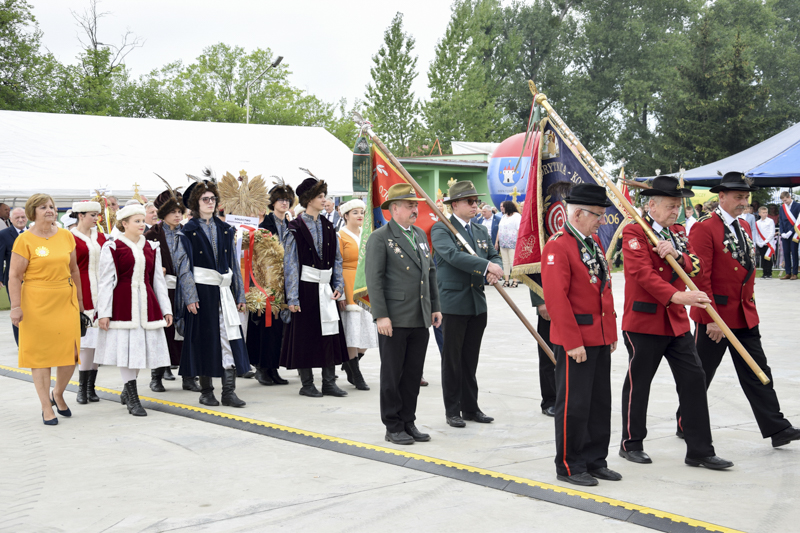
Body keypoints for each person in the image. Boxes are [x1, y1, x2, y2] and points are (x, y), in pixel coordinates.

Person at [618, 175, 732, 470]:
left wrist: (678, 255)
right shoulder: (635, 232)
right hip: (644, 321)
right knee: (639, 382)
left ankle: (700, 450)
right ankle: (631, 442)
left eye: (678, 206)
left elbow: (698, 265)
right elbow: (642, 274)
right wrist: (678, 297)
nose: (676, 211)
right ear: (652, 205)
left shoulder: (678, 232)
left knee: (695, 379)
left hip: (676, 324)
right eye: (671, 205)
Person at [684, 172, 800, 448]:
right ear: (721, 196)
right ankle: (684, 420)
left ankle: (777, 427)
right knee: (701, 375)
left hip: (744, 314)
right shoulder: (704, 227)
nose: (743, 202)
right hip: (717, 317)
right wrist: (710, 318)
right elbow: (701, 277)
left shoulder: (744, 228)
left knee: (758, 369)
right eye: (738, 197)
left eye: (745, 197)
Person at [540, 183, 618, 486]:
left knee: (599, 402)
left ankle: (595, 459)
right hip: (577, 341)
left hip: (598, 336)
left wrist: (609, 332)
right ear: (578, 214)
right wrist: (572, 342)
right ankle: (570, 464)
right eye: (598, 215)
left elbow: (604, 290)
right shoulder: (558, 246)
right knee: (575, 405)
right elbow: (557, 299)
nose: (602, 220)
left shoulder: (593, 243)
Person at [365, 184, 441, 444]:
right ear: (393, 208)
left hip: (419, 316)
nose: (414, 209)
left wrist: (435, 306)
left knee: (412, 374)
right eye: (409, 205)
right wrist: (381, 315)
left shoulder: (419, 234)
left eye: (415, 205)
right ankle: (393, 424)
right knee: (392, 374)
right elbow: (374, 280)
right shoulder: (380, 237)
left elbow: (430, 273)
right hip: (394, 318)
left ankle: (409, 421)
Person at [431, 180, 504, 428]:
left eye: (476, 201)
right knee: (452, 361)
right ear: (454, 205)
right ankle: (453, 410)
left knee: (469, 360)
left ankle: (471, 408)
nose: (475, 205)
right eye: (469, 201)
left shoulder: (481, 230)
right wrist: (486, 267)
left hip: (476, 304)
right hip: (452, 304)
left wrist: (496, 268)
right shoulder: (442, 229)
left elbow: (493, 255)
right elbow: (452, 256)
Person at [9, 194, 82, 425]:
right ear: (33, 212)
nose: (49, 210)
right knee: (40, 357)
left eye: (51, 206)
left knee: (70, 354)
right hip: (36, 303)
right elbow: (14, 276)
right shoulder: (25, 240)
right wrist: (16, 307)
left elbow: (74, 270)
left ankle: (58, 393)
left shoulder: (66, 236)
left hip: (65, 299)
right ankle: (45, 406)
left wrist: (80, 301)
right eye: (43, 207)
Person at [94, 205, 173, 417]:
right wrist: (104, 312)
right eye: (136, 221)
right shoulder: (113, 247)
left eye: (142, 220)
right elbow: (106, 281)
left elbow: (158, 281)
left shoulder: (152, 247)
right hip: (123, 304)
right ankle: (133, 398)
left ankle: (127, 390)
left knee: (140, 350)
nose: (141, 224)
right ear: (124, 224)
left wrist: (166, 309)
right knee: (127, 351)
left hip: (147, 304)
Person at [178, 176, 248, 407]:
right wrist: (190, 296)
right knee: (205, 341)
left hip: (224, 292)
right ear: (195, 203)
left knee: (230, 338)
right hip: (201, 293)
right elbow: (183, 266)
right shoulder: (187, 231)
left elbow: (233, 265)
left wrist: (239, 295)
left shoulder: (226, 229)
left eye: (212, 199)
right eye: (205, 199)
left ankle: (229, 391)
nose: (210, 202)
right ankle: (207, 391)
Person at [280, 176, 349, 397]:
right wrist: (292, 297)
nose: (324, 200)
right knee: (305, 336)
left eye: (324, 196)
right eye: (320, 196)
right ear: (308, 200)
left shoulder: (329, 225)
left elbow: (337, 259)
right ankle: (307, 383)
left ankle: (329, 381)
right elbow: (289, 263)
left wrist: (338, 284)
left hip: (326, 287)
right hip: (305, 288)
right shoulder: (295, 227)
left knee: (329, 333)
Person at [144, 187, 201, 393]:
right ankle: (157, 376)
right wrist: (155, 269)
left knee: (188, 334)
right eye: (173, 212)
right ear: (163, 213)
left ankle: (188, 376)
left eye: (180, 211)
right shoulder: (151, 235)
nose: (178, 215)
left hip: (186, 289)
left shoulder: (187, 234)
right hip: (162, 292)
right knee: (163, 333)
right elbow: (142, 263)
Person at [246, 180, 294, 386]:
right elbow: (255, 258)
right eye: (280, 200)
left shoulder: (292, 226)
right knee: (267, 325)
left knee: (280, 327)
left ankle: (274, 368)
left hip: (287, 280)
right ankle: (263, 368)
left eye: (287, 200)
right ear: (272, 203)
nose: (284, 203)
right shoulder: (264, 227)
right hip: (267, 281)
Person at [337, 198, 378, 391]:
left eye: (361, 212)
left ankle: (349, 362)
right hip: (349, 281)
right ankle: (356, 373)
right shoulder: (340, 236)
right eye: (355, 212)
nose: (360, 215)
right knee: (352, 331)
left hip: (366, 284)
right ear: (345, 216)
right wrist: (341, 293)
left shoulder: (367, 235)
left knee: (368, 331)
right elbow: (337, 265)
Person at [70, 201, 107, 404]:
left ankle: (91, 387)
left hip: (101, 292)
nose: (96, 219)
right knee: (85, 341)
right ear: (81, 215)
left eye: (98, 215)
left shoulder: (100, 236)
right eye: (92, 215)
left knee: (97, 342)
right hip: (81, 289)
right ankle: (81, 389)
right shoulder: (70, 237)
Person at [0, 207, 28, 344]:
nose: (21, 220)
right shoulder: (4, 235)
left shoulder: (33, 233)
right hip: (13, 279)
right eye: (17, 218)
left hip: (32, 280)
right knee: (17, 310)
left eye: (23, 217)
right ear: (10, 220)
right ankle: (21, 342)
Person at [495, 201, 521, 288]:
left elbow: (519, 229)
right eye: (501, 206)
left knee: (512, 262)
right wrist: (496, 241)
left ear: (508, 207)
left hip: (513, 243)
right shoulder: (503, 217)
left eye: (503, 206)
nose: (501, 208)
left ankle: (515, 280)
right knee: (505, 262)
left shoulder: (516, 216)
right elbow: (500, 229)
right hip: (503, 243)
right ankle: (506, 281)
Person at [778, 191, 799, 280]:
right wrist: (782, 232)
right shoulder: (782, 207)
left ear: (789, 197)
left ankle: (795, 273)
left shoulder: (798, 206)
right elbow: (781, 221)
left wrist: (790, 232)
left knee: (794, 253)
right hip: (784, 234)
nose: (784, 202)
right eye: (783, 201)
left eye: (786, 200)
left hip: (794, 233)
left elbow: (798, 221)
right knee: (786, 253)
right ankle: (788, 273)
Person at [754, 206, 776, 278]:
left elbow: (772, 232)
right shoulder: (757, 222)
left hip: (768, 243)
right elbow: (756, 233)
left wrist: (765, 241)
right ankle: (764, 273)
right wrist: (758, 242)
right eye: (763, 212)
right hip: (760, 243)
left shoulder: (770, 221)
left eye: (766, 212)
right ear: (759, 213)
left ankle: (769, 273)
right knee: (763, 258)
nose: (765, 214)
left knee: (768, 258)